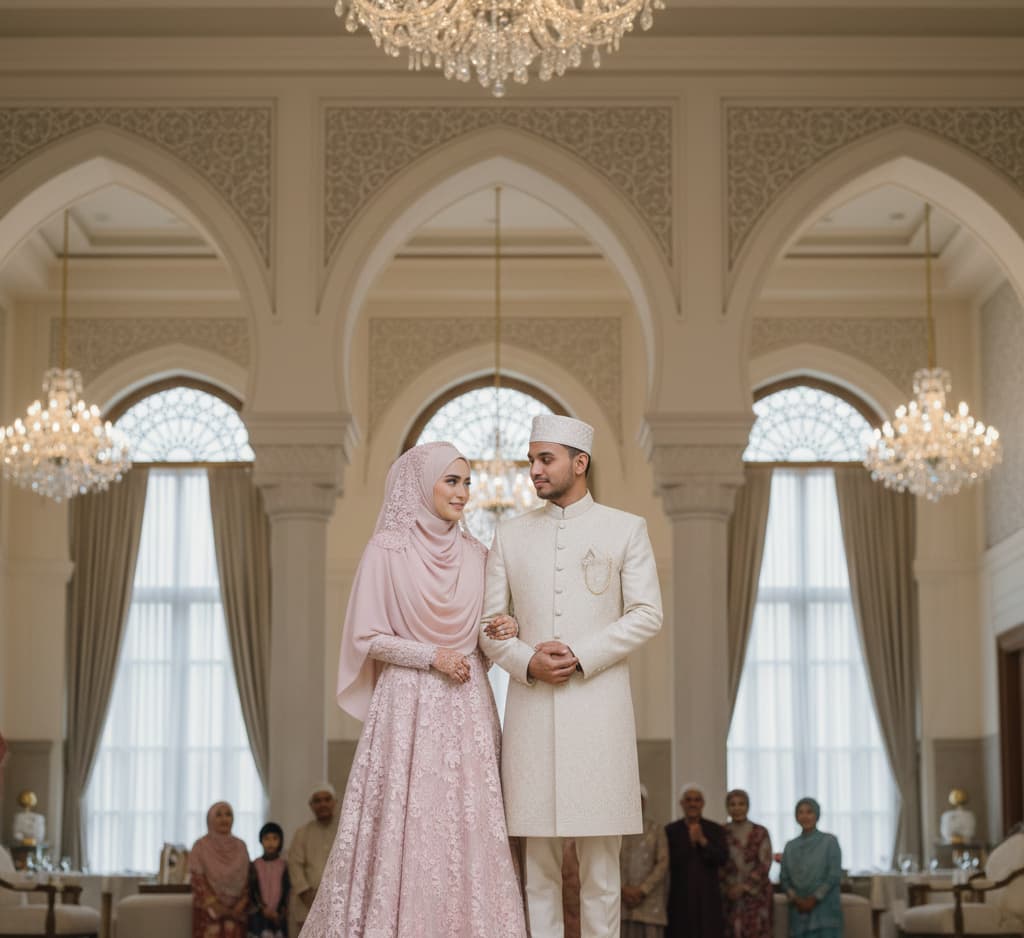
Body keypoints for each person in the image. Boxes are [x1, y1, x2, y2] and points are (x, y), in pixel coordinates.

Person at [299, 442, 527, 937]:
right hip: (406, 706)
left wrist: (505, 628)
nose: (464, 493)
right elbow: (367, 637)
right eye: (452, 481)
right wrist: (431, 656)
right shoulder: (387, 550)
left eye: (467, 482)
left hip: (467, 707)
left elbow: (483, 639)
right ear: (421, 485)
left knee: (468, 830)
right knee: (410, 830)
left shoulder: (479, 555)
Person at [479, 414, 664, 938]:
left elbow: (648, 613)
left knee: (602, 873)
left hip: (599, 717)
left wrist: (582, 653)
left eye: (546, 459)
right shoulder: (510, 535)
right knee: (537, 872)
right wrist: (526, 661)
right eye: (531, 460)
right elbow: (490, 628)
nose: (534, 470)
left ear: (579, 463)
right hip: (532, 717)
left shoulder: (625, 528)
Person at [665, 784, 728, 938]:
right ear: (682, 803)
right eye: (688, 800)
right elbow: (667, 862)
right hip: (680, 896)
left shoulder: (715, 829)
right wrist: (690, 843)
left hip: (708, 896)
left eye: (697, 800)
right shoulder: (671, 830)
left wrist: (702, 841)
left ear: (703, 803)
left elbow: (722, 858)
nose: (693, 804)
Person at [780, 798, 842, 938]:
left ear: (817, 815)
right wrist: (796, 899)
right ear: (796, 817)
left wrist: (813, 899)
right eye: (800, 812)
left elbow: (834, 875)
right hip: (798, 911)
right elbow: (784, 878)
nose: (805, 816)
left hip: (824, 910)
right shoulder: (790, 846)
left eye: (809, 812)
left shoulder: (829, 842)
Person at [190, 802, 251, 938]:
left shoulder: (241, 846)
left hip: (237, 913)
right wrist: (217, 906)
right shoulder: (200, 846)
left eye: (228, 814)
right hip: (209, 913)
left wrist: (239, 906)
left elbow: (248, 880)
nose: (224, 819)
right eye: (218, 815)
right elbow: (197, 881)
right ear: (210, 819)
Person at [721, 789, 772, 938]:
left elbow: (765, 863)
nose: (737, 808)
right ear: (727, 807)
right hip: (730, 896)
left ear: (748, 806)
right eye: (732, 804)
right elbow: (719, 863)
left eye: (741, 804)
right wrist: (730, 887)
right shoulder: (721, 832)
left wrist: (744, 887)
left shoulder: (760, 832)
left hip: (756, 896)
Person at [620, 784, 669, 938]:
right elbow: (610, 862)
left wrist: (642, 890)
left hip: (650, 904)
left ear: (644, 802)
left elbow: (663, 863)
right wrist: (623, 888)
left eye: (639, 799)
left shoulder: (656, 829)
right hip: (622, 904)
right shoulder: (617, 831)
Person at [287, 786, 338, 934]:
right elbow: (295, 866)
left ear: (335, 802)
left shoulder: (345, 831)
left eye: (327, 799)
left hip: (338, 902)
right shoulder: (302, 833)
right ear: (311, 806)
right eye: (317, 801)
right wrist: (310, 897)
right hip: (307, 903)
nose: (323, 804)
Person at [249, 822, 290, 938]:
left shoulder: (284, 865)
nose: (270, 842)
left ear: (280, 841)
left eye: (274, 838)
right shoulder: (255, 864)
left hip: (278, 915)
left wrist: (279, 911)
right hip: (260, 915)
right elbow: (253, 890)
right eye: (266, 838)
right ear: (261, 841)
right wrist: (263, 909)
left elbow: (286, 889)